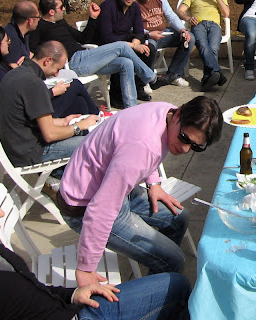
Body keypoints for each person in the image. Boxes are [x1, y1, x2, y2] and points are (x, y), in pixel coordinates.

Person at [57, 96, 223, 288]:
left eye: (195, 146)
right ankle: (151, 293)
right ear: (178, 114)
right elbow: (102, 208)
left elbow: (147, 150)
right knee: (174, 260)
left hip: (113, 184)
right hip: (84, 205)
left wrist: (154, 183)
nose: (185, 149)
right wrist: (85, 267)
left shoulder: (167, 113)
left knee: (179, 218)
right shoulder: (142, 147)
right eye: (185, 138)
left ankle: (157, 269)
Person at [0, 167, 191, 320]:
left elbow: (32, 288)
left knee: (176, 282)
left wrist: (72, 294)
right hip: (80, 315)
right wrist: (85, 265)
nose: (0, 213)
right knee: (175, 278)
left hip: (71, 305)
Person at [29, 0, 158, 110]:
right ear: (51, 11)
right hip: (73, 62)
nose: (64, 9)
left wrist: (92, 18)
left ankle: (131, 106)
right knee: (121, 46)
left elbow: (83, 38)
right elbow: (34, 52)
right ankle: (150, 77)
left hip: (85, 59)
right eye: (61, 7)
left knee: (126, 63)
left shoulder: (60, 22)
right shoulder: (39, 28)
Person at [0, 41, 100, 168]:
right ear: (47, 61)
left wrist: (63, 121)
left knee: (80, 111)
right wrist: (80, 125)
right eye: (58, 69)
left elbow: (25, 119)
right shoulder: (34, 83)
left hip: (15, 147)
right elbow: (50, 135)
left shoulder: (15, 74)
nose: (56, 74)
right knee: (96, 141)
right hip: (30, 153)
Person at [0, 25, 99, 117]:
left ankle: (92, 125)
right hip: (31, 114)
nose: (9, 42)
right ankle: (97, 115)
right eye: (6, 40)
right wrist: (52, 92)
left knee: (79, 102)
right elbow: (20, 98)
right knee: (75, 85)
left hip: (31, 107)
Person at [97, 0, 156, 104]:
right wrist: (133, 46)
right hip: (107, 47)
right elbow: (106, 37)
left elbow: (139, 31)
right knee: (124, 56)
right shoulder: (107, 7)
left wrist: (135, 43)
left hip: (126, 42)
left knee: (149, 49)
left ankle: (139, 87)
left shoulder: (134, 7)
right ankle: (116, 95)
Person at [136, 0, 194, 88]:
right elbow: (130, 27)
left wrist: (182, 30)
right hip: (146, 36)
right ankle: (147, 80)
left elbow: (171, 16)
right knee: (150, 46)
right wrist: (148, 34)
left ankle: (173, 75)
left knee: (190, 38)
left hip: (163, 33)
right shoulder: (133, 1)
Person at [177, 0, 230, 91]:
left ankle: (208, 78)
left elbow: (226, 13)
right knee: (203, 46)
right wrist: (188, 18)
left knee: (213, 48)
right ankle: (216, 73)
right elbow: (180, 11)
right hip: (198, 24)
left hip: (214, 25)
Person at [3, 1, 40, 66]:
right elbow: (12, 66)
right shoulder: (10, 39)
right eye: (38, 17)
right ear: (30, 21)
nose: (39, 20)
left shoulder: (24, 34)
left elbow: (27, 53)